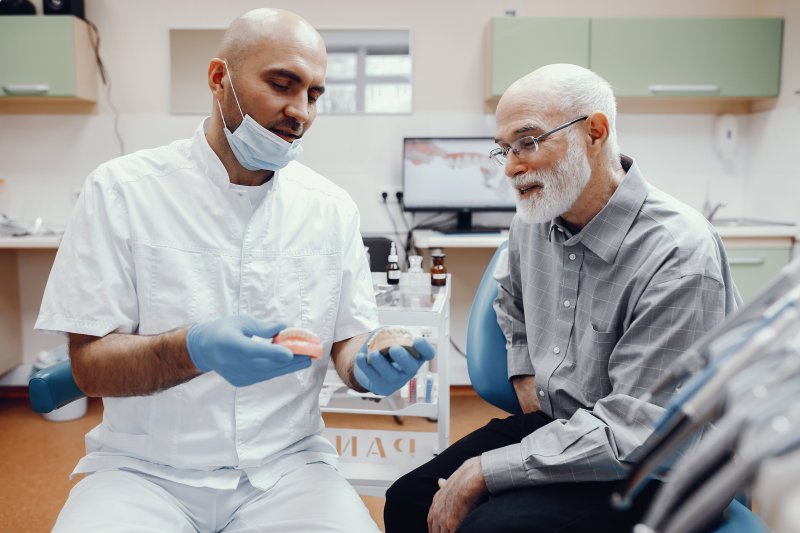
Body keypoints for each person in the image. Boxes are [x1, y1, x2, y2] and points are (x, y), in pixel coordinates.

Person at [35, 8, 433, 533]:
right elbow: (88, 366)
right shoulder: (121, 191)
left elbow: (346, 341)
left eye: (314, 94)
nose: (301, 111)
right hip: (142, 472)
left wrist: (370, 361)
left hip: (288, 471)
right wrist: (192, 348)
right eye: (281, 83)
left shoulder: (330, 208)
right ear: (219, 79)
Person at [383, 63, 742, 533]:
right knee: (408, 500)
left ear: (595, 131)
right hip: (567, 427)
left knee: (488, 526)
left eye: (528, 142)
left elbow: (637, 431)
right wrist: (524, 370)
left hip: (660, 463)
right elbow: (508, 298)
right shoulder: (532, 220)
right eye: (504, 150)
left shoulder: (677, 252)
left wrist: (486, 471)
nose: (511, 167)